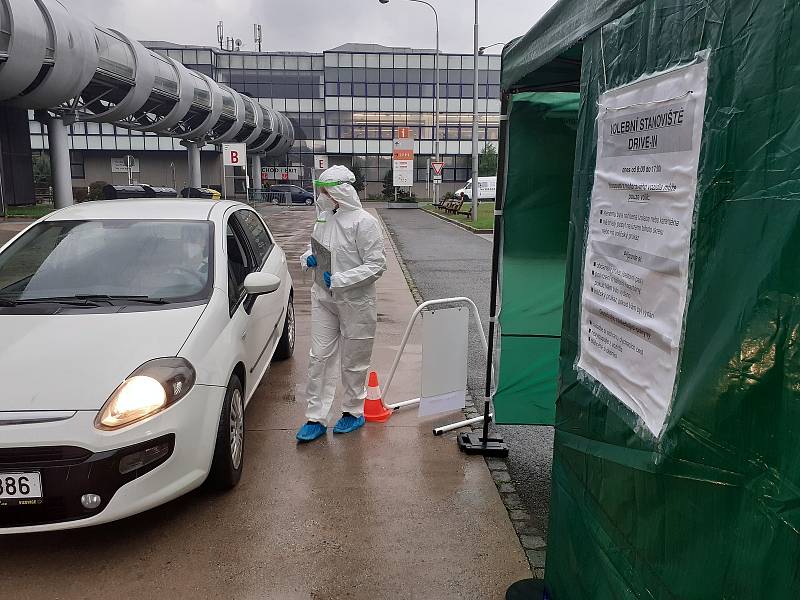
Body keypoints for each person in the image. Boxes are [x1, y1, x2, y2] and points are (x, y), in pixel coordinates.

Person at [296, 165, 387, 443]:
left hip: (355, 302)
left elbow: (376, 265)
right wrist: (306, 259)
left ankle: (352, 411)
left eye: (329, 191)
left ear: (343, 190)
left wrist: (340, 279)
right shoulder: (323, 219)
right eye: (323, 191)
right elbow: (314, 249)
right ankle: (315, 417)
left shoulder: (364, 222)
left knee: (354, 359)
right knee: (318, 358)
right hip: (323, 298)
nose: (325, 196)